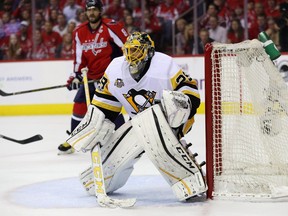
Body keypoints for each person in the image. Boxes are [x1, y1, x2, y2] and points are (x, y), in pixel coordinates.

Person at [65, 32, 207, 207]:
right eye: (129, 51)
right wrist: (96, 125)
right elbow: (104, 107)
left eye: (137, 51)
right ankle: (96, 181)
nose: (132, 56)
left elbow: (190, 92)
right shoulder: (115, 69)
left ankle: (189, 179)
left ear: (149, 52)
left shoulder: (164, 65)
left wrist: (180, 110)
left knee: (151, 122)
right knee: (97, 180)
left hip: (172, 120)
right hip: (138, 124)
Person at [58, 0, 128, 154]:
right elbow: (78, 59)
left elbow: (127, 47)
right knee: (79, 103)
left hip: (110, 76)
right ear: (85, 12)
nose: (92, 13)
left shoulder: (111, 26)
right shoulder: (79, 31)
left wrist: (123, 70)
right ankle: (74, 139)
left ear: (100, 11)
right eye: (89, 10)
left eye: (95, 9)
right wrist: (75, 77)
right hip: (90, 76)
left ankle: (123, 137)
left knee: (111, 107)